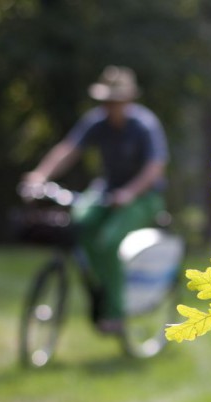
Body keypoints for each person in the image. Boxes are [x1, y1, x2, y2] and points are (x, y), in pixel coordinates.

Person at [24, 65, 169, 334]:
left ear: (128, 100)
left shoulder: (144, 126)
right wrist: (40, 175)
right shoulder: (97, 122)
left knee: (109, 240)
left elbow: (154, 169)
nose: (110, 106)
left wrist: (129, 193)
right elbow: (68, 149)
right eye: (106, 101)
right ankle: (102, 286)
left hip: (143, 196)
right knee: (80, 222)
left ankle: (115, 312)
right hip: (107, 190)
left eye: (115, 101)